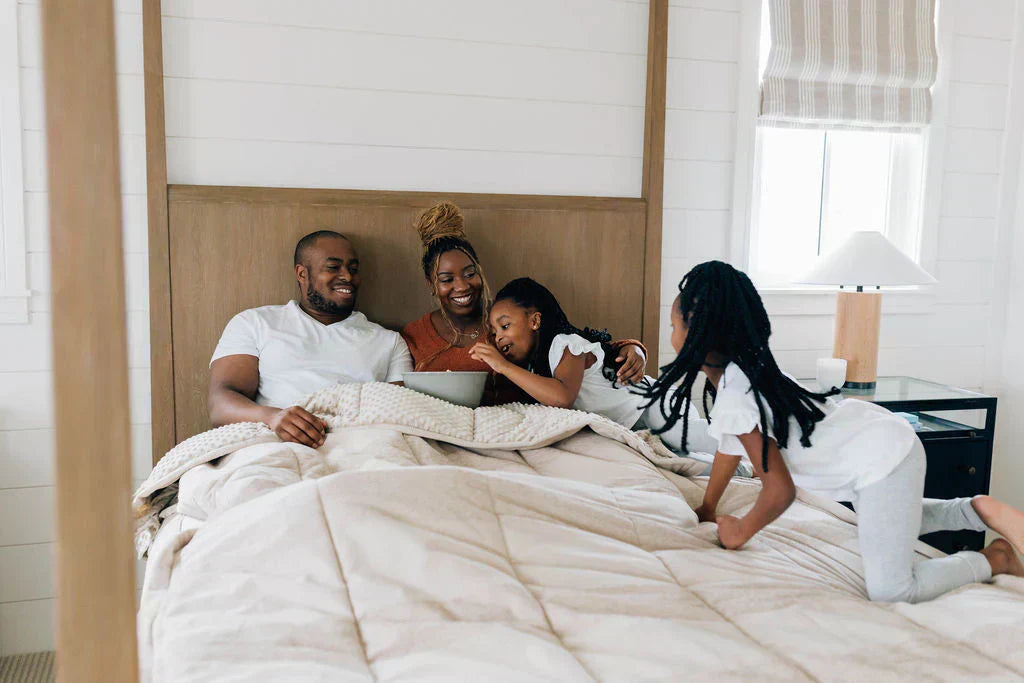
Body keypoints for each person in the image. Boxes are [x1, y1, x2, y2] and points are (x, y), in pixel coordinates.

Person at [641, 260, 1024, 603]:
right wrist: (709, 507)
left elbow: (780, 491)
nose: (672, 333)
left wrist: (742, 530)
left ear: (697, 335)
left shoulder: (736, 393)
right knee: (890, 519)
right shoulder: (745, 377)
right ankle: (975, 511)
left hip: (880, 458)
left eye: (674, 324)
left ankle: (995, 558)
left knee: (892, 590)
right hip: (873, 445)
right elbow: (730, 448)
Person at [401, 202, 647, 404]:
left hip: (521, 423)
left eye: (469, 273)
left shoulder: (507, 317)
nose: (462, 286)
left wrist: (632, 348)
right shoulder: (415, 336)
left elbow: (567, 341)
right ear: (431, 283)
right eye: (446, 279)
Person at [208, 230, 412, 447]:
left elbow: (400, 417)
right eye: (333, 267)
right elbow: (220, 403)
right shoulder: (255, 323)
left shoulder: (389, 341)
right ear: (302, 274)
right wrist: (272, 417)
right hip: (275, 444)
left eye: (353, 269)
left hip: (359, 446)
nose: (348, 277)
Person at [468, 277, 655, 428]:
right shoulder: (534, 368)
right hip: (635, 421)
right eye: (494, 333)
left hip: (654, 405)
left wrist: (504, 366)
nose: (498, 337)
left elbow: (563, 397)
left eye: (505, 326)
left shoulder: (565, 344)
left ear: (534, 321)